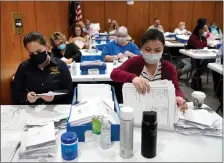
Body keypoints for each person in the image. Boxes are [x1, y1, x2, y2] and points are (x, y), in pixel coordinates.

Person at [110, 29, 187, 112]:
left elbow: (175, 88)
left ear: (163, 49)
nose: (152, 53)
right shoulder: (135, 62)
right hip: (136, 109)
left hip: (160, 110)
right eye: (147, 49)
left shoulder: (169, 68)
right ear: (142, 48)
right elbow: (114, 74)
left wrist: (179, 97)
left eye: (157, 50)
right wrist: (133, 78)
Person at [12, 32, 73, 105]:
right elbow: (16, 93)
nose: (36, 55)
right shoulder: (24, 67)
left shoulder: (60, 65)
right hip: (33, 110)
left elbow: (69, 91)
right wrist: (26, 96)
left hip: (56, 108)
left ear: (46, 47)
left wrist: (54, 96)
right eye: (31, 53)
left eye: (38, 51)